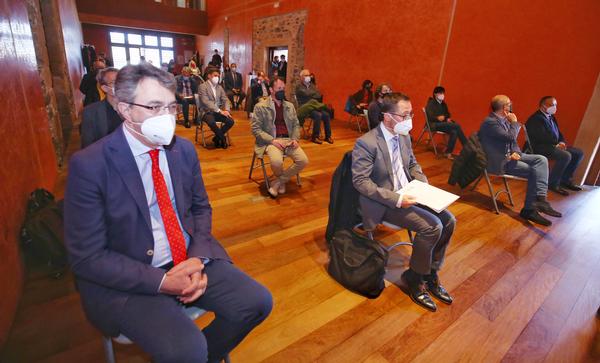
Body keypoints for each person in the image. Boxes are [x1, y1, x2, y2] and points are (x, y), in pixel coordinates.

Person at [64, 63, 272, 363]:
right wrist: (161, 282)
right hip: (129, 272)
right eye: (153, 106)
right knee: (187, 350)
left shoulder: (183, 151)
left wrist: (197, 259)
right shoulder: (90, 165)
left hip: (187, 256)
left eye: (171, 107)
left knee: (257, 302)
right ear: (124, 109)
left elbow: (201, 208)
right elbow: (87, 257)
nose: (166, 117)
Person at [352, 92, 455, 312]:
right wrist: (397, 198)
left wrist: (422, 182)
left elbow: (412, 165)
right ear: (387, 116)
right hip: (385, 201)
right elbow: (361, 183)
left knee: (449, 221)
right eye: (404, 115)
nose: (409, 120)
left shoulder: (404, 137)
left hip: (410, 192)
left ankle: (431, 273)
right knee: (432, 226)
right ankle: (414, 278)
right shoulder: (366, 143)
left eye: (411, 114)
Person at [479, 95, 562, 226]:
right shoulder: (490, 122)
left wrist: (515, 152)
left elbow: (513, 142)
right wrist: (514, 123)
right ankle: (529, 210)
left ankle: (541, 199)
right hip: (499, 160)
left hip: (510, 155)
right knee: (534, 171)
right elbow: (510, 136)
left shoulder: (504, 120)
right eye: (509, 103)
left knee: (541, 159)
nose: (511, 105)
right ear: (504, 107)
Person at [251, 77, 308, 198]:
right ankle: (281, 181)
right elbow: (256, 130)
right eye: (279, 88)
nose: (282, 91)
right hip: (271, 141)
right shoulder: (260, 106)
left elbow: (296, 125)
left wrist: (295, 139)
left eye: (283, 88)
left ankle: (278, 182)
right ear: (271, 90)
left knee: (303, 160)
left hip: (288, 140)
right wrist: (272, 141)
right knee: (276, 162)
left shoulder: (289, 106)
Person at [526, 96, 584, 195]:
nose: (554, 107)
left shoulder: (551, 117)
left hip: (553, 145)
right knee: (565, 155)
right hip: (540, 147)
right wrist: (556, 144)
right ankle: (553, 183)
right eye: (552, 105)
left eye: (555, 105)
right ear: (543, 106)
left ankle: (565, 180)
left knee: (578, 153)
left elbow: (558, 133)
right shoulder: (536, 118)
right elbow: (539, 137)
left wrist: (561, 142)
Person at [80, 67, 122, 148]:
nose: (120, 85)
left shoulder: (134, 106)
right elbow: (87, 146)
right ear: (104, 88)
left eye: (121, 81)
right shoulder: (90, 112)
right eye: (114, 82)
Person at [425, 86, 468, 158]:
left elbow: (448, 114)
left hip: (442, 124)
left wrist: (445, 118)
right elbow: (429, 116)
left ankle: (448, 152)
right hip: (433, 124)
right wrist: (437, 118)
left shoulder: (443, 104)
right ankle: (467, 147)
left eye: (443, 93)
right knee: (456, 126)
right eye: (440, 93)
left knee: (454, 131)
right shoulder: (431, 103)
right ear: (435, 94)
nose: (442, 95)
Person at [197, 67, 235, 149]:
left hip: (217, 112)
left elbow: (225, 99)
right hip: (206, 112)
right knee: (211, 122)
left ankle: (217, 138)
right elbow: (205, 102)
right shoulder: (202, 86)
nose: (217, 78)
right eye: (215, 75)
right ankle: (223, 138)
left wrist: (227, 110)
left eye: (218, 76)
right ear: (209, 76)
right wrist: (219, 110)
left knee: (230, 121)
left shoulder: (219, 87)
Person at [295, 69, 333, 144]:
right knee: (318, 115)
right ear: (301, 77)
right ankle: (315, 137)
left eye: (309, 75)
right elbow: (305, 94)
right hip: (305, 107)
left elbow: (318, 95)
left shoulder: (312, 85)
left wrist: (310, 93)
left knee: (326, 115)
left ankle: (328, 136)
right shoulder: (298, 86)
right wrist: (312, 93)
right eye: (306, 75)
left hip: (314, 106)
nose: (308, 77)